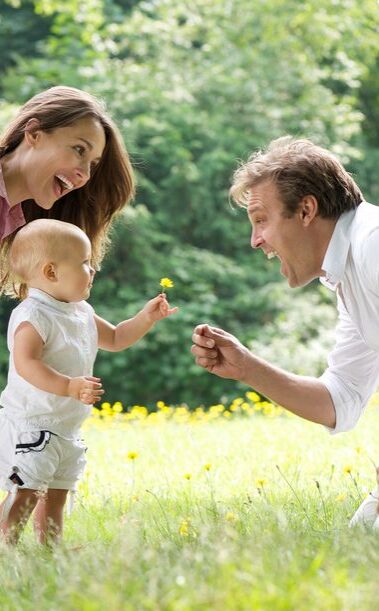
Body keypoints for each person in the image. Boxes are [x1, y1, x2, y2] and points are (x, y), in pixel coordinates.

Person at [0, 85, 134, 550]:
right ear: (32, 133)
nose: (83, 171)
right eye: (78, 149)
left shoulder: (5, 217)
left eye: (92, 163)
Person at [191, 135, 379, 527]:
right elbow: (340, 400)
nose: (255, 240)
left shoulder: (372, 244)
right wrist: (247, 369)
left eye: (261, 220)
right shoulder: (348, 276)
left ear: (307, 210)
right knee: (363, 531)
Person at [0, 219, 177, 545]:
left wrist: (145, 318)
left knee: (57, 494)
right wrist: (68, 386)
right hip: (32, 424)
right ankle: (1, 552)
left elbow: (117, 337)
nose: (93, 270)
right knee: (27, 491)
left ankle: (51, 549)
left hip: (65, 426)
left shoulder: (81, 312)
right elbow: (26, 363)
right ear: (51, 272)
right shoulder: (33, 315)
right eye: (85, 264)